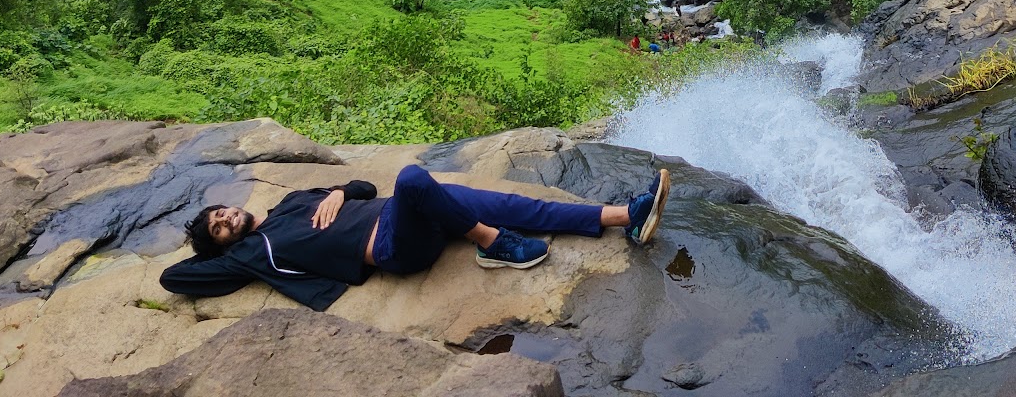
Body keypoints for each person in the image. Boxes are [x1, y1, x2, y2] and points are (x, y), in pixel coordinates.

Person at [161, 164, 670, 312]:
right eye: (218, 228)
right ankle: (495, 244)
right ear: (224, 244)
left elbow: (363, 187)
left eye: (221, 213)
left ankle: (628, 215)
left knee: (512, 205)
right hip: (395, 247)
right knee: (412, 178)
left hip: (415, 213)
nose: (226, 217)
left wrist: (339, 191)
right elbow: (173, 277)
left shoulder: (291, 204)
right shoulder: (252, 253)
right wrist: (222, 254)